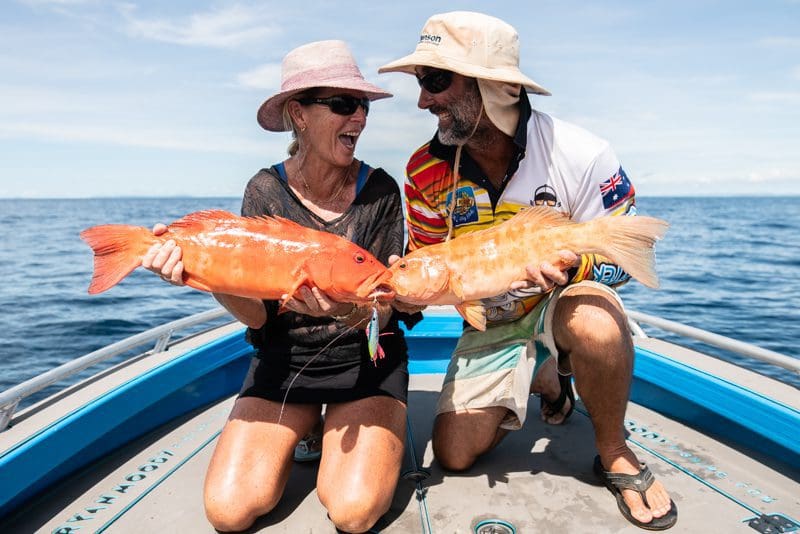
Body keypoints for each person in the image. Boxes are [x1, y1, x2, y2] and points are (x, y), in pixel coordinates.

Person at [379, 11, 678, 530]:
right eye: (421, 82)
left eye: (436, 81)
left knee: (596, 324)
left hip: (561, 303)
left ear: (497, 88)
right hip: (492, 317)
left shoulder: (582, 154)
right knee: (454, 453)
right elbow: (431, 266)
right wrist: (400, 298)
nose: (423, 100)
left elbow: (626, 263)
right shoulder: (423, 170)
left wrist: (572, 267)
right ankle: (547, 378)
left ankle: (614, 452)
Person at [143, 40, 409, 533]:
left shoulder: (381, 192)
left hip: (365, 363)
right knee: (229, 511)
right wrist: (206, 275)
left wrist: (342, 311)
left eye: (363, 106)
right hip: (284, 363)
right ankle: (307, 423)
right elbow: (258, 316)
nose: (358, 117)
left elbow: (385, 306)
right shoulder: (263, 190)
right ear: (299, 115)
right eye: (343, 104)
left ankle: (337, 428)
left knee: (353, 513)